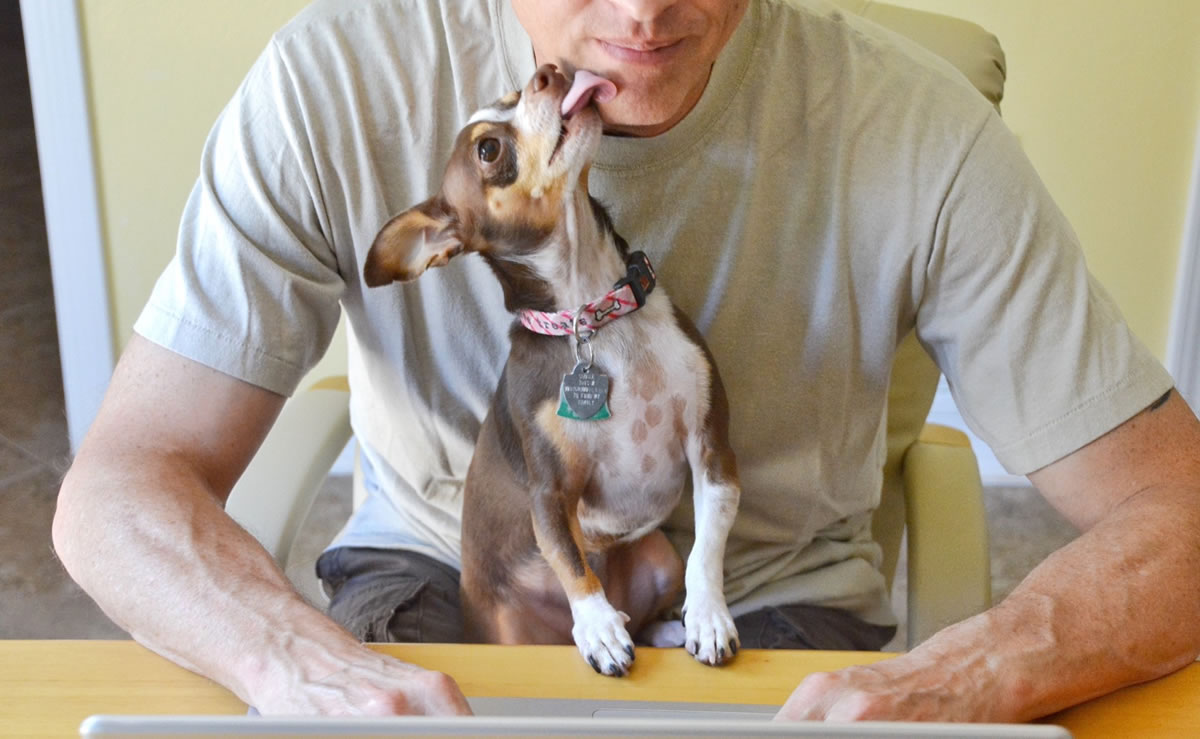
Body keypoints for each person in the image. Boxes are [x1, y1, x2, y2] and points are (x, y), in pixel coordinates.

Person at [53, 0, 1200, 723]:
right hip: (447, 567)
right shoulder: (332, 85)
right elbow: (116, 490)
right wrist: (284, 657)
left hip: (769, 596)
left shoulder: (921, 134)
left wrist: (977, 669)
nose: (644, 12)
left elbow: (1182, 514)